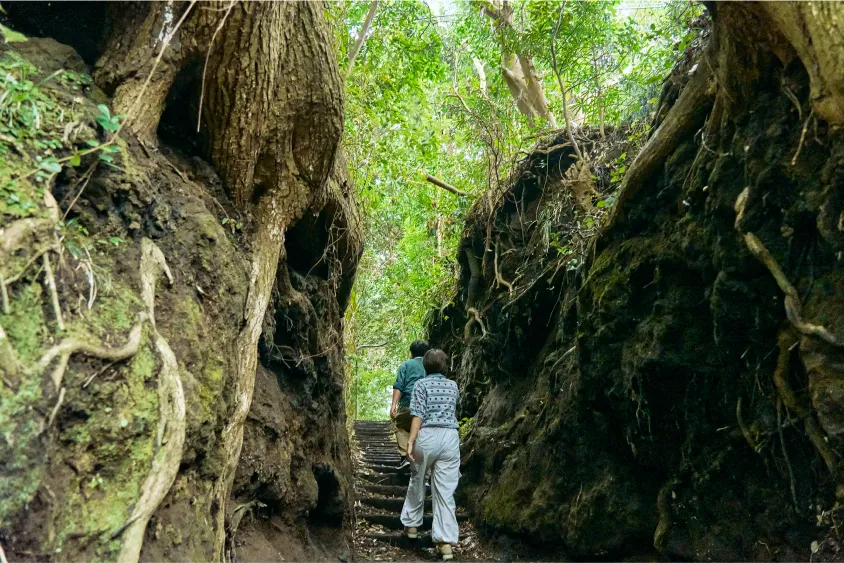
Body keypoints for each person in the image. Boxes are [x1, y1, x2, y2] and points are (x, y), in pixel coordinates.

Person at [401, 349, 460, 561]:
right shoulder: (453, 386)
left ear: (425, 366)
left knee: (418, 479)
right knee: (445, 490)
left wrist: (410, 440)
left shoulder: (421, 384)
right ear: (444, 366)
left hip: (427, 436)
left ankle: (412, 526)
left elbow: (418, 414)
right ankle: (445, 544)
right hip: (450, 437)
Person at [391, 340, 430, 467]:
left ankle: (404, 456)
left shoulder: (406, 365)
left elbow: (399, 386)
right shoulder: (430, 365)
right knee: (421, 429)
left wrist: (393, 405)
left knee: (401, 426)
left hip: (407, 403)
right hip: (425, 406)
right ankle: (419, 458)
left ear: (411, 353)